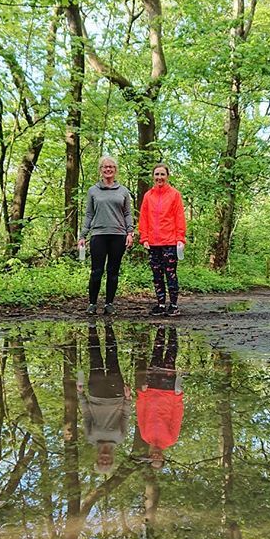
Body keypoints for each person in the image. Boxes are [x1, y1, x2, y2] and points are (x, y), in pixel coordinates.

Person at [78, 156, 134, 316]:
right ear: (100, 170)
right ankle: (92, 304)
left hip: (118, 235)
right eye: (105, 167)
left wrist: (130, 232)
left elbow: (127, 213)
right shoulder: (93, 190)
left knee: (113, 271)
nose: (108, 169)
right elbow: (89, 214)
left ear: (115, 170)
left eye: (111, 167)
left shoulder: (123, 191)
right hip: (98, 235)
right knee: (96, 271)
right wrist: (83, 235)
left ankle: (109, 304)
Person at [78, 323, 131, 474]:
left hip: (96, 394)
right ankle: (109, 327)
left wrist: (81, 394)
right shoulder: (120, 438)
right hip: (116, 395)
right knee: (112, 359)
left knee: (95, 358)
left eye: (101, 461)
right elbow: (125, 416)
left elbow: (87, 414)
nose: (104, 459)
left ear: (97, 458)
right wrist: (127, 399)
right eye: (107, 462)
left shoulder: (91, 437)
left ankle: (92, 327)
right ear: (112, 459)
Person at [138, 163, 186, 316]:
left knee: (170, 274)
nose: (159, 177)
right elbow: (143, 218)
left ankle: (173, 305)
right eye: (157, 174)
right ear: (153, 177)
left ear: (167, 176)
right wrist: (144, 237)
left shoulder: (174, 194)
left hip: (170, 242)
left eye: (162, 174)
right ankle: (160, 304)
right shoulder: (148, 196)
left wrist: (180, 238)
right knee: (157, 275)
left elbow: (179, 217)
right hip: (153, 243)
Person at [136, 326, 183, 468]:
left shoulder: (145, 436)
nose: (155, 456)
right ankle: (173, 329)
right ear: (163, 457)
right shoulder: (171, 439)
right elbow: (177, 416)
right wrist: (178, 396)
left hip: (151, 390)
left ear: (149, 456)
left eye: (152, 459)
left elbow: (141, 412)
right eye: (159, 459)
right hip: (168, 392)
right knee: (170, 357)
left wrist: (143, 394)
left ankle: (161, 327)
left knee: (156, 355)